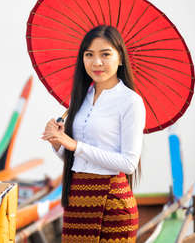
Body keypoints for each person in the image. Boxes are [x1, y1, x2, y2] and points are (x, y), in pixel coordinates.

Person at [42, 25, 146, 242]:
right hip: (77, 203)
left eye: (105, 54)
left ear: (120, 59)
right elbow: (75, 158)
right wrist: (58, 144)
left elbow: (128, 163)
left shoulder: (130, 102)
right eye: (89, 55)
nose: (96, 62)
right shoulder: (80, 96)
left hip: (112, 207)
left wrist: (74, 145)